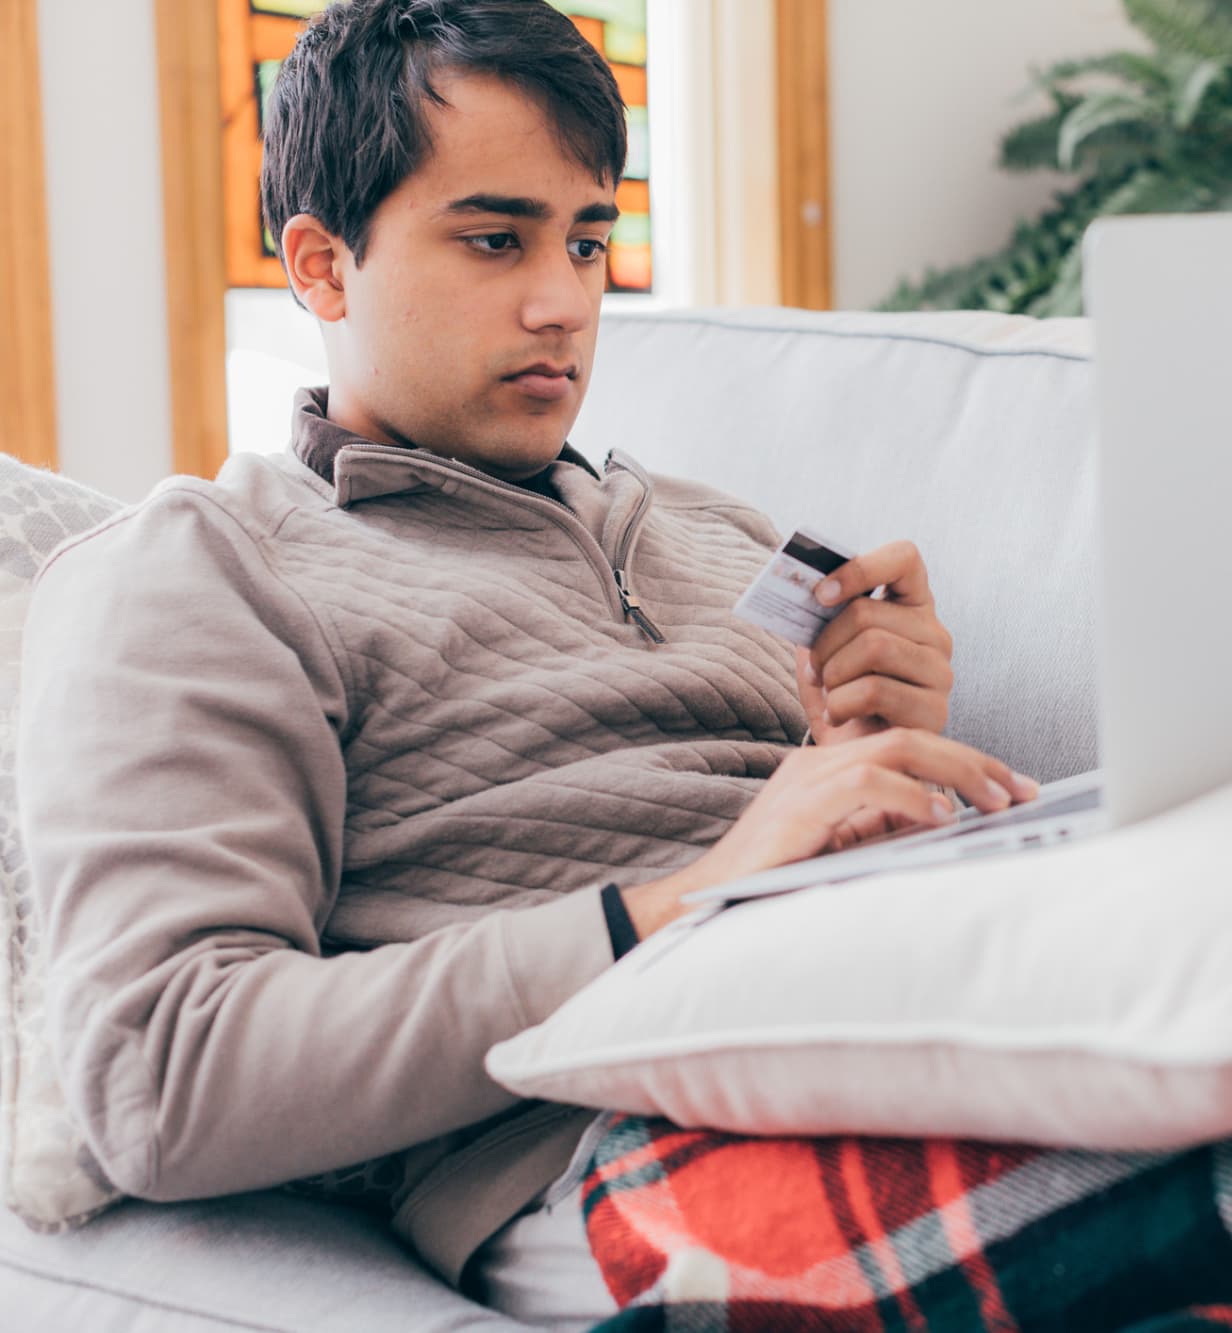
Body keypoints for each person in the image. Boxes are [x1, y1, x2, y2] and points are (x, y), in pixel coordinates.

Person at [17, 1, 1037, 1324]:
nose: (565, 302)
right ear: (321, 268)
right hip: (614, 1141)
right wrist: (677, 905)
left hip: (912, 1014)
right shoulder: (207, 565)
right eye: (496, 239)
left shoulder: (719, 534)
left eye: (590, 238)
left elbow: (797, 842)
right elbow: (162, 1073)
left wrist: (876, 754)